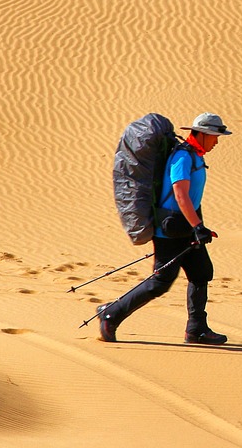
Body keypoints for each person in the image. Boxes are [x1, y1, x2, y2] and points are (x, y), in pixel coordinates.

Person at [96, 112, 232, 344]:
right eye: (214, 136)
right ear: (201, 134)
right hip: (170, 230)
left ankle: (196, 329)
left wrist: (200, 227)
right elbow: (180, 195)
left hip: (185, 227)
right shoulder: (183, 157)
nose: (217, 141)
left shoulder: (195, 157)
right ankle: (111, 314)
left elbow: (192, 198)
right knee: (160, 281)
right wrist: (197, 226)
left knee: (201, 273)